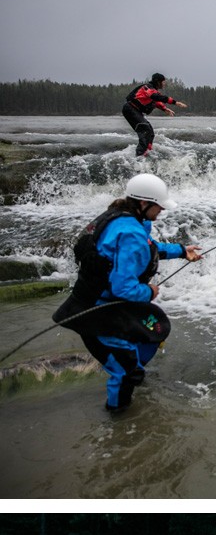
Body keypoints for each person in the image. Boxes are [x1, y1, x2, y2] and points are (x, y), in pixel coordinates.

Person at [51, 174, 201, 413]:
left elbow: (148, 247)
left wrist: (182, 251)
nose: (161, 210)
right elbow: (124, 288)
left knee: (147, 338)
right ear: (144, 204)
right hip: (96, 314)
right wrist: (149, 291)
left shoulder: (122, 220)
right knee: (124, 371)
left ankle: (133, 375)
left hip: (102, 304)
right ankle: (119, 426)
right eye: (158, 206)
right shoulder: (130, 232)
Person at [122, 72, 187, 157]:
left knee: (150, 132)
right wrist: (175, 102)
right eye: (163, 82)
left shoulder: (153, 91)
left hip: (135, 111)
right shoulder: (148, 87)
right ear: (158, 81)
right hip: (130, 109)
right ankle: (139, 157)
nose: (164, 83)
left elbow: (156, 101)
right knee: (145, 130)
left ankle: (147, 152)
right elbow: (155, 97)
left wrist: (164, 109)